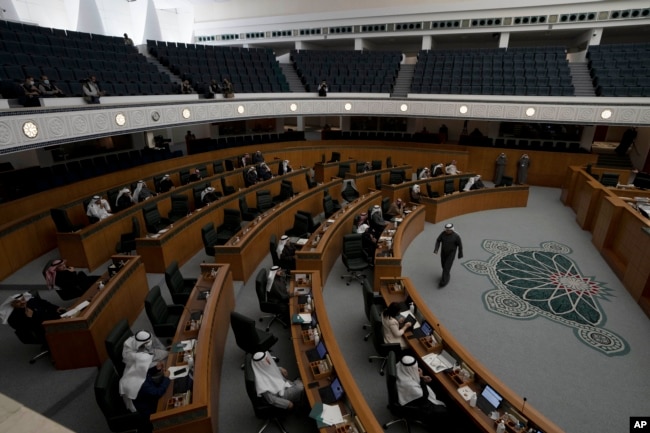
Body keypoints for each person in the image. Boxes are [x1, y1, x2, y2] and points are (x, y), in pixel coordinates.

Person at [119, 330, 169, 413]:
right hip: (148, 409)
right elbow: (157, 393)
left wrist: (156, 368)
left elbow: (145, 373)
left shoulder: (136, 369)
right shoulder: (141, 384)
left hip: (146, 395)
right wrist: (166, 379)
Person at [396, 355, 448, 430]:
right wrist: (422, 379)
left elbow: (411, 376)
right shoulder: (411, 385)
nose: (416, 369)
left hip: (403, 392)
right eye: (414, 368)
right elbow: (424, 395)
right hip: (413, 403)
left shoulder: (399, 366)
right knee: (442, 411)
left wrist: (422, 377)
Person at [433, 223, 463, 288]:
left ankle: (443, 281)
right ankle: (447, 275)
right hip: (443, 252)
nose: (447, 231)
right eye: (446, 230)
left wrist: (460, 254)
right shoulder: (442, 234)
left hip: (451, 254)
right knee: (443, 265)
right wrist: (436, 249)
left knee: (447, 267)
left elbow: (460, 245)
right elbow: (438, 240)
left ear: (452, 230)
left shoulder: (456, 236)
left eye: (449, 230)